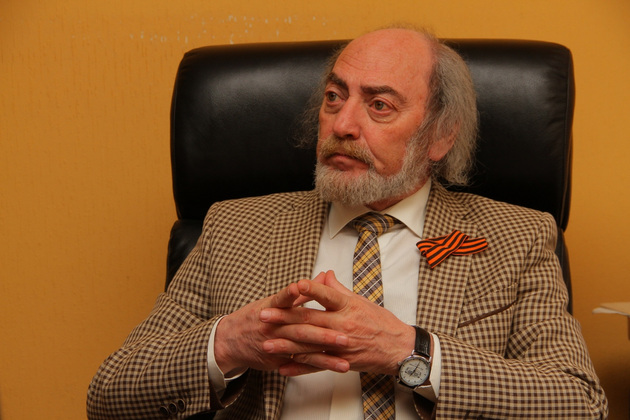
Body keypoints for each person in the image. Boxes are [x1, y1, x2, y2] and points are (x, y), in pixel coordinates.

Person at [87, 26, 608, 419]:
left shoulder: (516, 238)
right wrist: (227, 343)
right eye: (334, 97)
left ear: (440, 136)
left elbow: (580, 403)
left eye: (379, 105)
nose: (342, 124)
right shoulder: (234, 227)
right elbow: (109, 395)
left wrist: (409, 353)